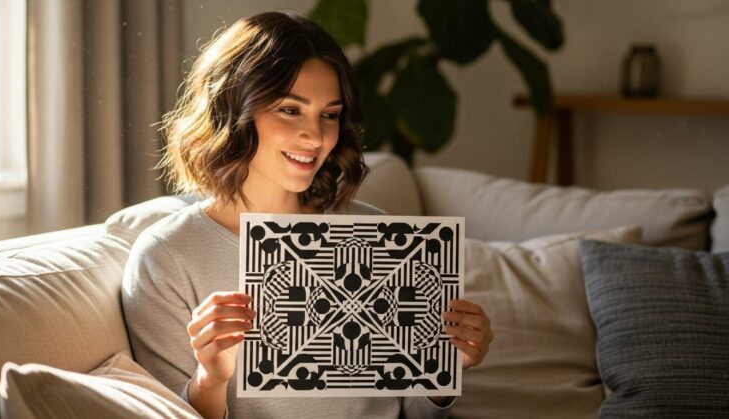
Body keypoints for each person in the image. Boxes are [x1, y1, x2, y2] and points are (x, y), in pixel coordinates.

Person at [121, 11, 494, 419]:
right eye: (290, 110)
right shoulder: (166, 258)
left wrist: (445, 373)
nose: (315, 137)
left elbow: (413, 412)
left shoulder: (381, 237)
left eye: (329, 115)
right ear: (234, 110)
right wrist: (210, 379)